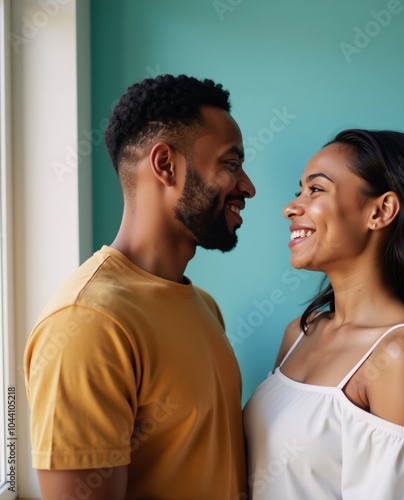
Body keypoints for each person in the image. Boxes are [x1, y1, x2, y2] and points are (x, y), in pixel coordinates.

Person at [24, 74, 255, 499]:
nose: (248, 187)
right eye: (230, 164)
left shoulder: (204, 305)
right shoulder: (88, 321)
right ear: (165, 164)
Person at [243, 129, 404, 499]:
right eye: (299, 190)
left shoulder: (402, 352)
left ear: (381, 211)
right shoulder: (299, 333)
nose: (291, 207)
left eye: (316, 189)